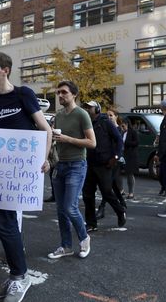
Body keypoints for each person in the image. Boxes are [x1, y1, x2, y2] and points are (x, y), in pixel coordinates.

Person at [0, 51, 52, 302]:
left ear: (5, 70)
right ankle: (16, 276)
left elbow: (45, 129)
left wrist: (44, 158)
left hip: (20, 173)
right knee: (5, 223)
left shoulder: (23, 94)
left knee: (5, 222)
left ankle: (20, 277)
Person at [47, 81, 96, 259]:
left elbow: (92, 142)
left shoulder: (82, 114)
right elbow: (55, 140)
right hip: (60, 165)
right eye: (58, 92)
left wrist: (67, 138)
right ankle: (66, 246)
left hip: (77, 165)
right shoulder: (58, 115)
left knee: (70, 207)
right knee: (61, 209)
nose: (60, 95)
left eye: (64, 92)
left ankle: (84, 237)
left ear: (74, 94)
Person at [82, 101, 126, 231]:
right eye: (87, 107)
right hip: (90, 163)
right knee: (87, 194)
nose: (88, 109)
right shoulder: (86, 123)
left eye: (90, 107)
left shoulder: (106, 122)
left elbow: (118, 139)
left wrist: (116, 157)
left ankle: (120, 211)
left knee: (106, 192)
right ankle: (91, 223)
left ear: (97, 109)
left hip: (104, 164)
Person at [95, 107, 126, 219]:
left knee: (106, 187)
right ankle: (122, 203)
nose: (108, 117)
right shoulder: (105, 127)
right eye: (107, 115)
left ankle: (102, 208)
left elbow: (119, 145)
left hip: (114, 161)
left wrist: (116, 157)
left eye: (111, 115)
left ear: (116, 117)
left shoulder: (118, 130)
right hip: (106, 160)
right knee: (111, 185)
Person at [121, 119, 139, 199]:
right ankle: (121, 190)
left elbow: (137, 142)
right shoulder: (123, 133)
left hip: (131, 155)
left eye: (123, 126)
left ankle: (131, 192)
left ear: (127, 124)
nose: (122, 128)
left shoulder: (133, 132)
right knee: (122, 173)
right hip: (124, 155)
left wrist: (126, 143)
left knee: (130, 174)